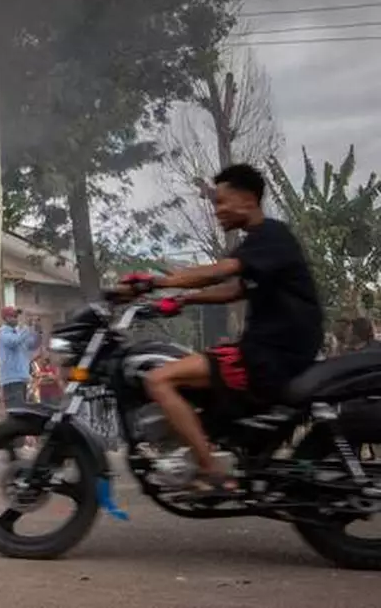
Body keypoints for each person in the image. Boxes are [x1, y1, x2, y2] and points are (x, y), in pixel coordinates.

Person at [120, 163, 323, 493]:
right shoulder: (260, 242)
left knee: (159, 378)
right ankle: (217, 444)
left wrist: (155, 282)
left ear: (247, 200)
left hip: (272, 355)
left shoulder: (271, 235)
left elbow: (221, 272)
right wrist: (186, 301)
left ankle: (211, 468)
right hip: (271, 349)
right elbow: (235, 289)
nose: (217, 211)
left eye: (221, 202)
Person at [0, 307, 41, 408]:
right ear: (6, 318)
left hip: (22, 378)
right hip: (11, 379)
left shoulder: (20, 333)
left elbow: (33, 345)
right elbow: (15, 341)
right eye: (13, 316)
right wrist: (27, 326)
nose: (16, 319)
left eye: (16, 316)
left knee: (22, 410)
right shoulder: (3, 333)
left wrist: (38, 332)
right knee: (15, 410)